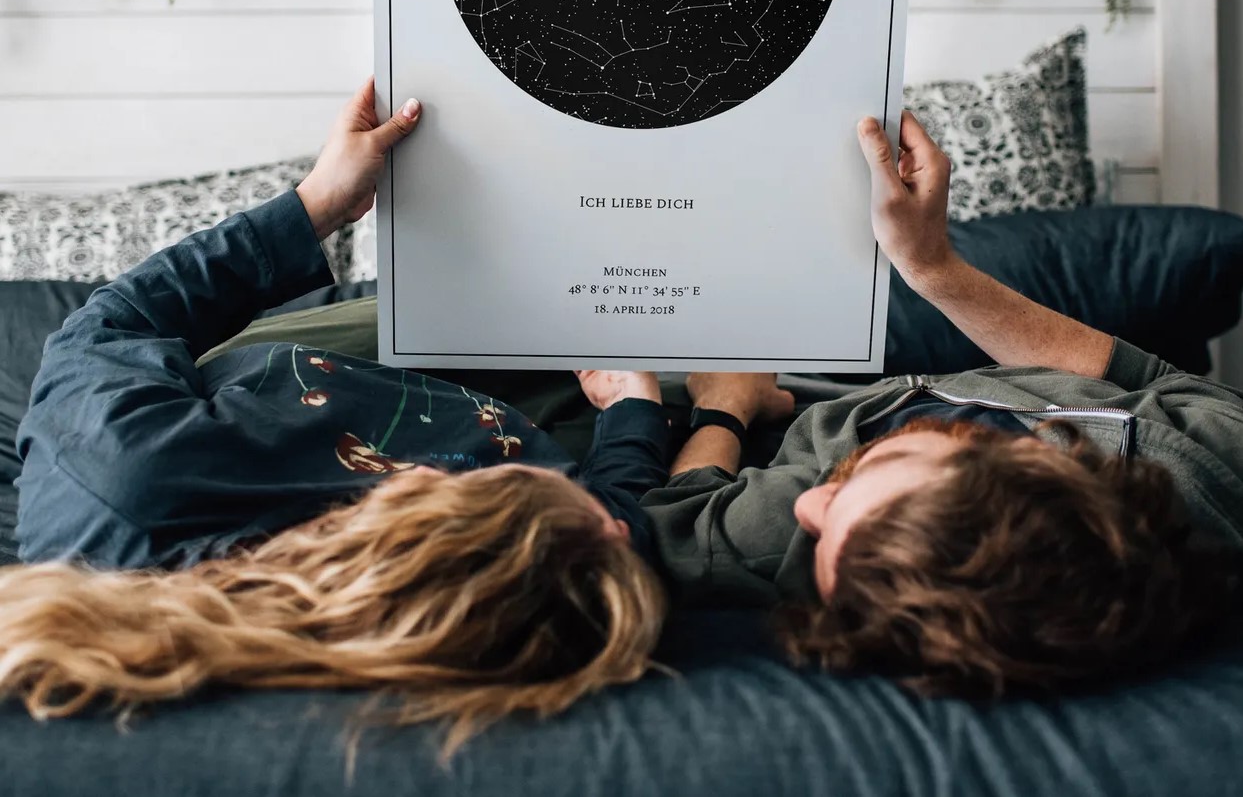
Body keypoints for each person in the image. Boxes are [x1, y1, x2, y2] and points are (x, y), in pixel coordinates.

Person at [0, 80, 670, 747]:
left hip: (295, 380)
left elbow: (119, 319)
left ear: (415, 482)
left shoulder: (119, 473)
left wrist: (318, 202)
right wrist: (636, 410)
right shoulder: (490, 616)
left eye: (593, 524)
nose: (614, 526)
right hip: (567, 421)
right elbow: (617, 529)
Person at [638, 110, 1243, 696]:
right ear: (1007, 454)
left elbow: (681, 519)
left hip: (782, 401)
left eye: (827, 556)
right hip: (974, 358)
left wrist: (724, 406)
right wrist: (931, 266)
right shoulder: (1214, 456)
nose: (815, 505)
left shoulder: (778, 528)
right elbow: (1146, 376)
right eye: (882, 467)